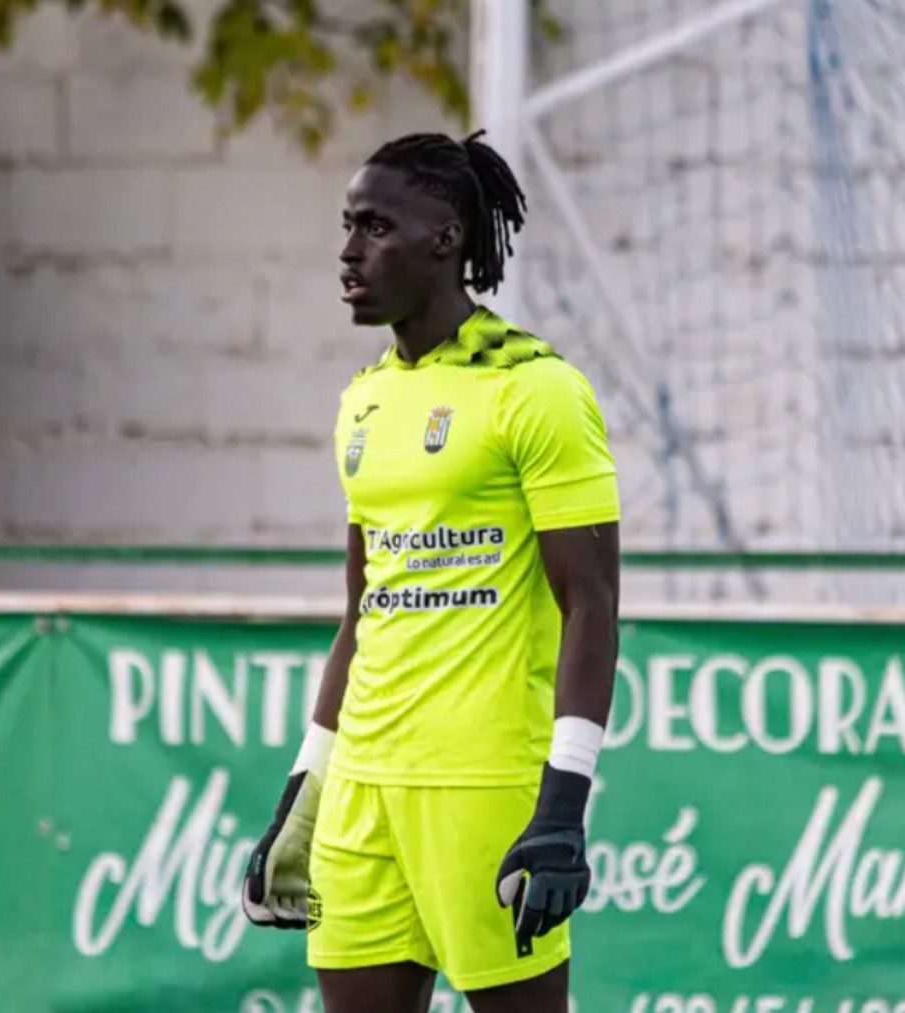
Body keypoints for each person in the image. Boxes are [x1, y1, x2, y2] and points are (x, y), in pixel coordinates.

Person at [242, 129, 621, 1013]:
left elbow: (592, 603)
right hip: (363, 792)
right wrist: (306, 786)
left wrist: (562, 807)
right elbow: (362, 611)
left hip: (482, 787)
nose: (347, 251)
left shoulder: (538, 390)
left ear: (446, 238)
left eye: (374, 227)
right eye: (346, 226)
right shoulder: (363, 401)